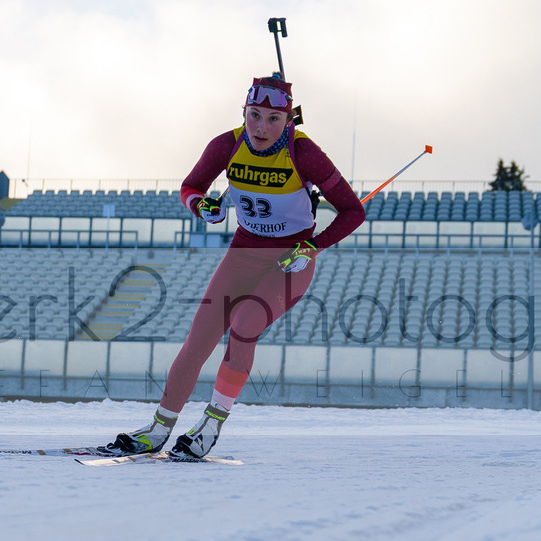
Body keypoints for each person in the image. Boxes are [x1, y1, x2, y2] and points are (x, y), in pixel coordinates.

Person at [105, 74, 365, 461]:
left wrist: (314, 245)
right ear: (243, 112)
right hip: (243, 253)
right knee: (199, 338)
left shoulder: (305, 152)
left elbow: (353, 211)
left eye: (273, 119)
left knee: (245, 325)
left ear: (289, 121)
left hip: (289, 261)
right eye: (253, 115)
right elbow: (190, 187)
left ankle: (210, 427)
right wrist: (202, 206)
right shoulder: (227, 144)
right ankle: (158, 430)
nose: (260, 127)